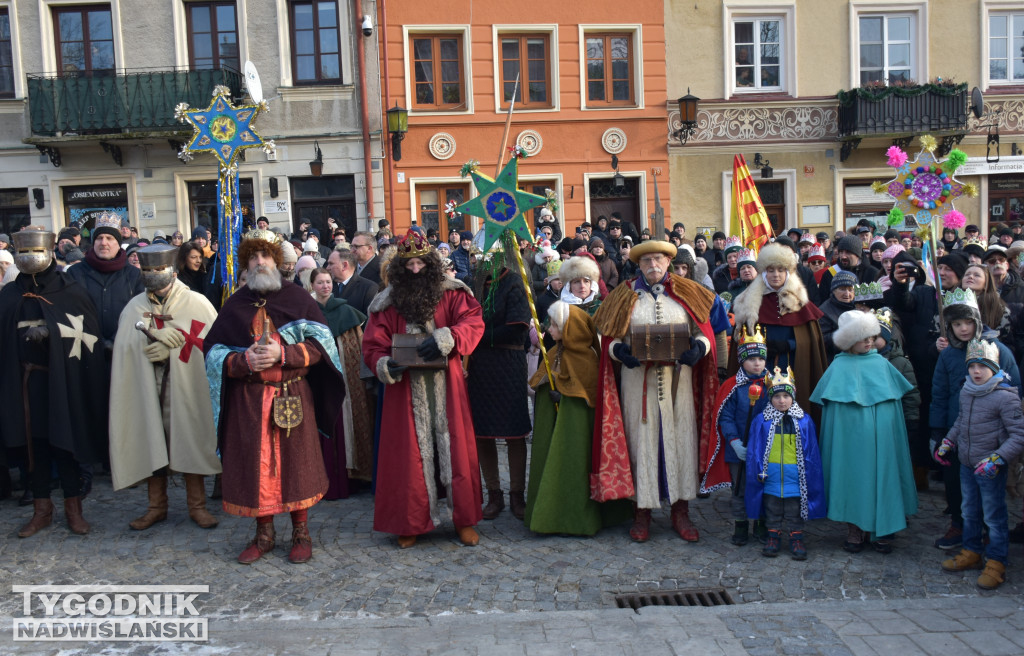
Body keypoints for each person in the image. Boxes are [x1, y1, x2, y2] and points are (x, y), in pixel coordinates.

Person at [204, 229, 347, 564]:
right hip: (249, 401)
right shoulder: (234, 305)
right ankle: (264, 534)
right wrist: (243, 361)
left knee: (296, 466)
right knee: (258, 467)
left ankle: (301, 532)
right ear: (246, 265)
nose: (259, 262)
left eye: (265, 256)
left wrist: (284, 355)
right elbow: (211, 352)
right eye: (253, 258)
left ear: (277, 261)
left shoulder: (298, 300)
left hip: (291, 395)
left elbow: (323, 347)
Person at [593, 239, 729, 543]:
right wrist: (621, 354)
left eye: (659, 260)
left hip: (678, 385)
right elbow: (610, 339)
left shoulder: (689, 293)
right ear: (638, 265)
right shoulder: (623, 295)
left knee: (679, 442)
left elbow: (703, 332)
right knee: (641, 443)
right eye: (646, 261)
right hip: (635, 384)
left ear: (668, 262)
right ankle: (641, 512)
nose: (653, 266)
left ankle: (681, 511)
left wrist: (700, 349)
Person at [362, 231, 485, 548]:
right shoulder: (386, 303)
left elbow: (472, 322)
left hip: (447, 386)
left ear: (430, 264)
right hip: (405, 390)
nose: (415, 270)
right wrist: (385, 364)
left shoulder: (453, 294)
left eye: (420, 263)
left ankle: (463, 520)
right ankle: (410, 520)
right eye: (409, 265)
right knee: (409, 455)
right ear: (400, 268)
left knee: (455, 450)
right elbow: (374, 345)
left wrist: (448, 339)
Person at [0, 228, 107, 537]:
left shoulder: (70, 292)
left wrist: (52, 333)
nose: (29, 257)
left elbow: (88, 337)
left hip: (62, 384)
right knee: (34, 447)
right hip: (22, 384)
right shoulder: (8, 295)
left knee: (66, 443)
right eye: (24, 251)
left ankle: (74, 509)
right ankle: (41, 509)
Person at [108, 244, 221, 530]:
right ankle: (156, 507)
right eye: (147, 269)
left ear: (172, 269)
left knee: (190, 438)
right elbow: (125, 349)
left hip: (186, 389)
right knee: (151, 439)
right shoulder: (135, 307)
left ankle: (197, 506)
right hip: (147, 388)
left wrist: (175, 345)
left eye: (159, 268)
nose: (154, 274)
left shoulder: (197, 303)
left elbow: (211, 347)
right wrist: (149, 343)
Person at [812, 310, 917, 554]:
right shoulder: (837, 367)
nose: (869, 341)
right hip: (850, 442)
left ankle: (883, 528)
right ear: (849, 341)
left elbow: (893, 407)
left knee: (883, 474)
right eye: (863, 338)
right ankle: (855, 527)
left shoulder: (881, 364)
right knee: (851, 477)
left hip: (882, 438)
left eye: (871, 336)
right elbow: (833, 413)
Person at [524, 301, 631, 535]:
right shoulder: (553, 352)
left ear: (571, 329)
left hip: (577, 429)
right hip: (556, 427)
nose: (550, 330)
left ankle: (577, 517)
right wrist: (548, 388)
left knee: (575, 466)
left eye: (555, 325)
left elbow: (586, 391)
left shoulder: (588, 358)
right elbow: (541, 379)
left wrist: (564, 394)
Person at [930, 288, 1021, 552]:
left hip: (990, 434)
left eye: (968, 322)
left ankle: (989, 536)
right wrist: (937, 432)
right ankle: (960, 525)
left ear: (977, 321)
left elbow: (1013, 387)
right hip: (955, 430)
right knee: (956, 484)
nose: (963, 329)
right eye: (956, 324)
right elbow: (940, 392)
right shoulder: (947, 355)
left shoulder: (998, 350)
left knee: (989, 490)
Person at [935, 339, 1024, 590]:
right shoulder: (967, 390)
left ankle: (997, 561)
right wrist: (948, 442)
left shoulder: (1005, 397)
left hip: (990, 468)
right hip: (966, 463)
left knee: (994, 516)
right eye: (972, 365)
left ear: (994, 367)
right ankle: (972, 551)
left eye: (983, 366)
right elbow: (961, 422)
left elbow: (1018, 435)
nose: (976, 371)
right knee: (969, 511)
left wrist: (997, 458)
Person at [469, 241, 533, 520]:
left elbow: (517, 328)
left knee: (513, 432)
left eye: (488, 257)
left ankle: (517, 494)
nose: (483, 262)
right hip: (479, 368)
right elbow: (464, 321)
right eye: (479, 257)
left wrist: (477, 336)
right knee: (483, 432)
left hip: (509, 364)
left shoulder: (515, 283)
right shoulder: (472, 286)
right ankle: (493, 494)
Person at [730, 242, 827, 423]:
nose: (776, 275)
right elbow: (740, 341)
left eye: (781, 270)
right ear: (763, 273)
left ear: (787, 272)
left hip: (794, 366)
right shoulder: (748, 302)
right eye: (771, 270)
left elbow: (810, 341)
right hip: (760, 369)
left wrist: (789, 344)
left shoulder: (799, 302)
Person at [746, 366, 826, 560]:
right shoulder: (762, 420)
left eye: (786, 396)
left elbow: (812, 453)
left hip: (795, 479)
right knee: (772, 509)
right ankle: (773, 537)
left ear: (793, 397)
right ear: (770, 398)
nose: (782, 401)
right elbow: (755, 450)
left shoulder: (803, 421)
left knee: (793, 510)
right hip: (771, 477)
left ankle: (796, 538)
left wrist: (807, 475)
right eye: (776, 397)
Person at [310, 268, 373, 491]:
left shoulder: (346, 311)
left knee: (348, 419)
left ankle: (353, 474)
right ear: (312, 286)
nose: (325, 286)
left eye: (328, 282)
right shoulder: (308, 314)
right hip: (319, 377)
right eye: (320, 283)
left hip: (347, 376)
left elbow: (357, 347)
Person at [710, 323, 770, 546]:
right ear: (742, 360)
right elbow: (724, 417)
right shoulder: (732, 386)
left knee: (765, 486)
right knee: (739, 489)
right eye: (752, 359)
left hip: (765, 448)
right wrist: (734, 442)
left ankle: (763, 524)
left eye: (761, 359)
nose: (757, 363)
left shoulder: (773, 384)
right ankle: (741, 525)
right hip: (740, 450)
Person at [66, 212, 145, 352]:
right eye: (99, 238)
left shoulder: (133, 275)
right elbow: (71, 310)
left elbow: (139, 312)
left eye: (109, 238)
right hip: (86, 349)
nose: (103, 243)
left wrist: (117, 340)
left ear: (118, 243)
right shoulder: (75, 273)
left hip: (125, 348)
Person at [816, 235, 880, 301]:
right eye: (841, 252)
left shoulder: (873, 274)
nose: (843, 256)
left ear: (858, 254)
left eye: (848, 252)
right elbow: (823, 301)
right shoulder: (830, 274)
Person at [816, 270, 856, 362]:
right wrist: (843, 333)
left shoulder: (860, 306)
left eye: (850, 289)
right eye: (842, 289)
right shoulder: (824, 311)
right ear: (833, 290)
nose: (847, 294)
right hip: (835, 360)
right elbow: (821, 341)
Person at [326, 248, 377, 316]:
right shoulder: (326, 286)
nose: (327, 268)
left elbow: (369, 320)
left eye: (331, 264)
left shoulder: (369, 288)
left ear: (344, 266)